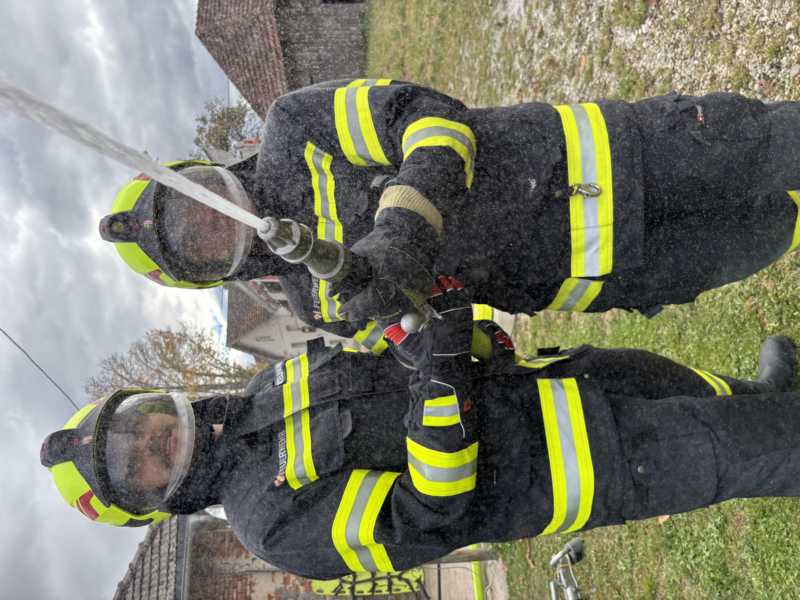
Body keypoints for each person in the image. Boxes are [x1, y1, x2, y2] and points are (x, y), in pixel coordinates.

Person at [40, 289, 800, 580]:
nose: (151, 444)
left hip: (554, 382)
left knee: (679, 384)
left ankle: (763, 394)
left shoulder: (265, 388)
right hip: (580, 463)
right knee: (750, 448)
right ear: (154, 502)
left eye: (135, 430)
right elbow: (428, 511)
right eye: (136, 466)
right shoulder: (270, 523)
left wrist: (431, 337)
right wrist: (440, 387)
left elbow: (381, 354)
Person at [98, 79, 800, 330]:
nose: (220, 220)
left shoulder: (296, 129)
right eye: (203, 241)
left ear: (198, 174)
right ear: (213, 276)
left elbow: (430, 119)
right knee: (775, 231)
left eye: (199, 204)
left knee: (776, 148)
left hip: (616, 157)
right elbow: (433, 337)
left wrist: (402, 228)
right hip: (610, 270)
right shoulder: (319, 305)